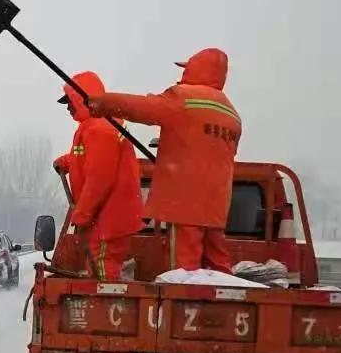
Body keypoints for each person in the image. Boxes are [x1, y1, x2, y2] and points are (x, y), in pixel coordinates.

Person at [88, 48, 241, 273]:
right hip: (216, 206)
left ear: (196, 69)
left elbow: (142, 107)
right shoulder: (231, 114)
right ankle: (226, 302)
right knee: (218, 266)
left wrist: (103, 103)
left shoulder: (185, 98)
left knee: (184, 272)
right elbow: (208, 151)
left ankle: (186, 308)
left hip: (186, 202)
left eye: (187, 68)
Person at [53, 69, 145, 281]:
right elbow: (92, 160)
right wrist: (67, 162)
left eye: (70, 101)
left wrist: (83, 213)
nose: (67, 107)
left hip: (108, 219)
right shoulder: (97, 126)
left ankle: (106, 313)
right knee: (98, 269)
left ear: (82, 99)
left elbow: (100, 179)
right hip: (106, 219)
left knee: (103, 276)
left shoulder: (100, 129)